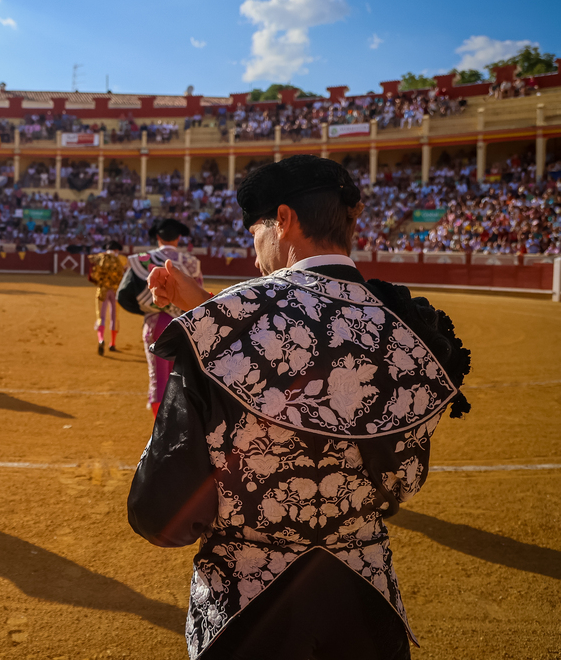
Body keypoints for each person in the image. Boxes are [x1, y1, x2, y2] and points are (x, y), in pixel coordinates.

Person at [126, 155, 471, 660]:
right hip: (365, 598)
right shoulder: (409, 326)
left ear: (283, 219)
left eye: (256, 232)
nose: (255, 250)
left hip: (247, 604)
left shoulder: (219, 328)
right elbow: (400, 472)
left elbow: (159, 510)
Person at [117, 218, 203, 416]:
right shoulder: (191, 262)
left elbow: (123, 294)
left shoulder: (142, 260)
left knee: (158, 378)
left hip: (156, 323)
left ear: (157, 237)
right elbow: (198, 296)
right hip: (182, 325)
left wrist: (147, 308)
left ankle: (160, 430)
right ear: (179, 238)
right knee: (177, 377)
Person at [87, 239, 126, 355]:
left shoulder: (100, 257)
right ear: (116, 250)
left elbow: (92, 273)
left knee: (101, 317)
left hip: (103, 290)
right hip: (115, 291)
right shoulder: (121, 259)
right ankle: (112, 344)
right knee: (115, 317)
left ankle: (101, 339)